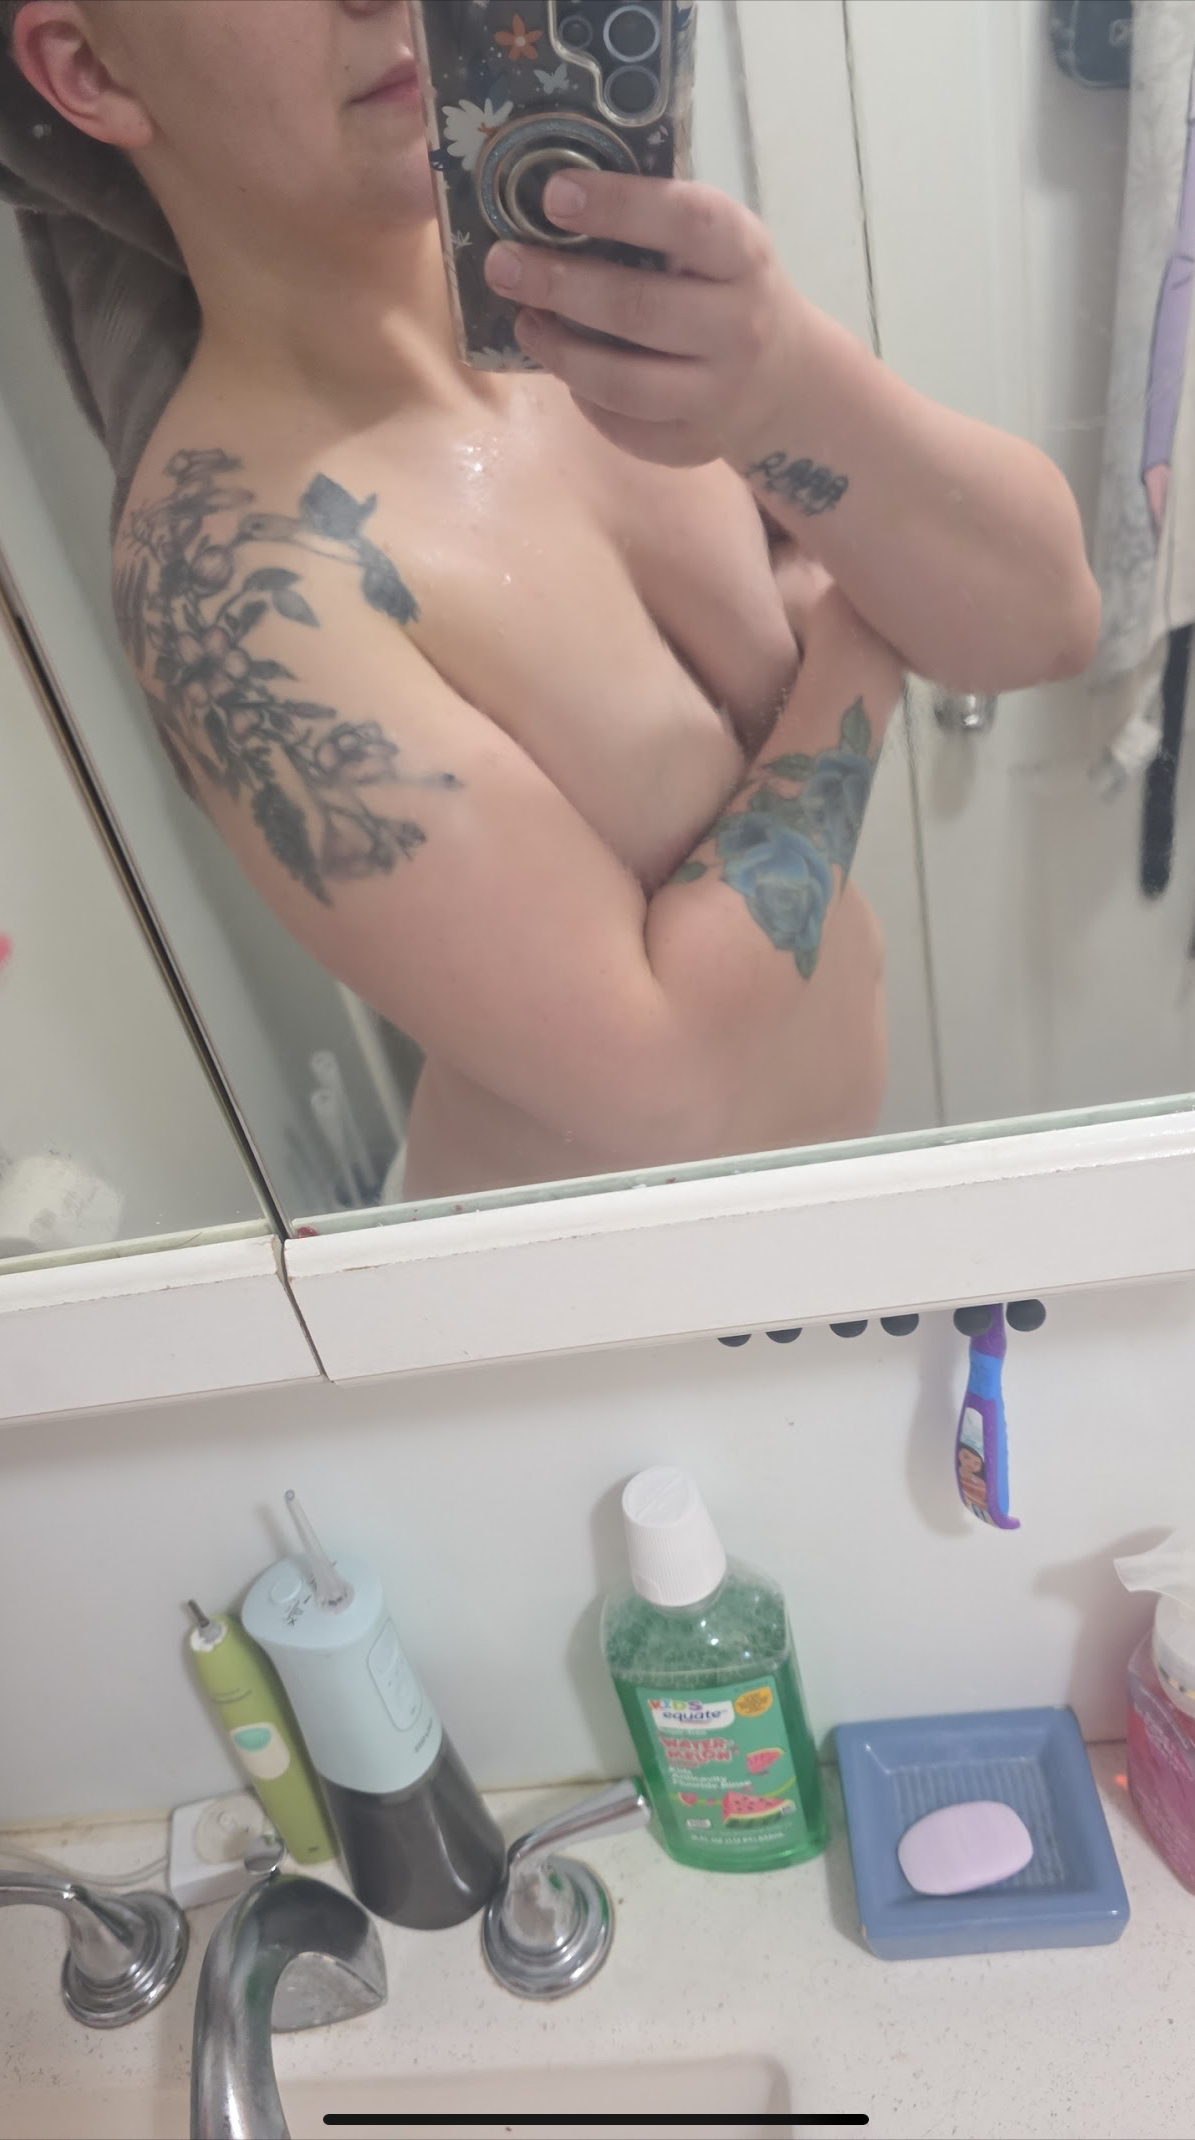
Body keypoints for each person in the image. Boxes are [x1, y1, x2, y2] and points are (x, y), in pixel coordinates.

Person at [7, 0, 1101, 1201]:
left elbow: (1048, 616)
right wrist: (862, 630)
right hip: (607, 1299)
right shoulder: (231, 578)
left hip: (825, 1210)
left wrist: (788, 382)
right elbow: (672, 1081)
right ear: (88, 67)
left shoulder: (613, 305)